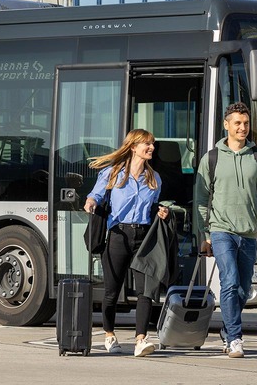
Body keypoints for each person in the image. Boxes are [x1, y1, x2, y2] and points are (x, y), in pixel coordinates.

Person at [193, 102, 257, 358]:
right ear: (227, 125)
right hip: (221, 230)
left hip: (248, 232)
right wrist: (205, 234)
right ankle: (235, 338)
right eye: (237, 123)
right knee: (229, 281)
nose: (242, 128)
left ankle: (226, 328)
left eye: (245, 123)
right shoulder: (212, 158)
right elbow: (200, 198)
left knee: (243, 289)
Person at [83, 129, 170, 357]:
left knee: (146, 291)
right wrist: (90, 202)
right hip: (118, 235)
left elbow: (153, 206)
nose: (151, 147)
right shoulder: (112, 173)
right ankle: (109, 334)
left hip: (144, 237)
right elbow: (96, 195)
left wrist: (160, 211)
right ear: (133, 147)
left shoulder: (154, 178)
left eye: (152, 144)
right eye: (146, 144)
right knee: (112, 291)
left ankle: (141, 339)